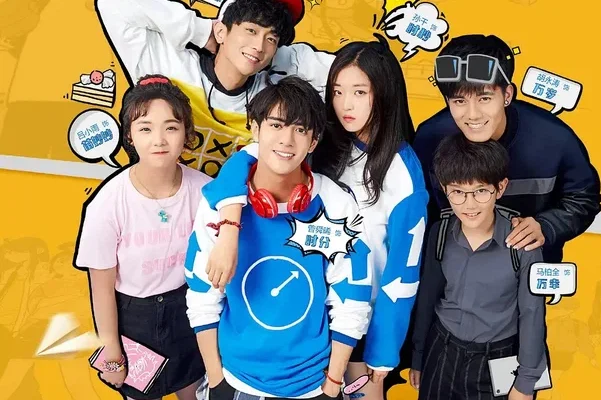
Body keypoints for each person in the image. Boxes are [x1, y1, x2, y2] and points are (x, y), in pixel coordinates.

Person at [198, 34, 429, 400]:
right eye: (337, 91)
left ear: (384, 94)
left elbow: (404, 270)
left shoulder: (402, 169)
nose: (345, 105)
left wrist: (383, 351)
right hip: (310, 322)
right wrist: (228, 228)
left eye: (359, 92)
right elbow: (246, 160)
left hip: (364, 323)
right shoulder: (317, 143)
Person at [185, 76, 373, 400]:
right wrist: (216, 380)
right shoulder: (220, 205)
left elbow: (352, 300)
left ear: (313, 142)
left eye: (300, 130)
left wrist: (332, 386)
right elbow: (202, 296)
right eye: (276, 125)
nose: (287, 140)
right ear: (255, 129)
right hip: (236, 381)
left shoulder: (336, 204)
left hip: (313, 385)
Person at [73, 75, 211, 400]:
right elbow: (102, 289)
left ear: (186, 133)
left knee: (194, 394)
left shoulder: (206, 191)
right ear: (130, 136)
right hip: (134, 321)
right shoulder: (108, 203)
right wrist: (112, 353)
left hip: (188, 310)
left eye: (171, 128)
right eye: (145, 128)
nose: (158, 140)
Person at [412, 34, 601, 263]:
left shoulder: (555, 138)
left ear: (507, 94)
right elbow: (418, 208)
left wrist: (546, 225)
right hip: (452, 270)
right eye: (459, 101)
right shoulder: (429, 139)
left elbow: (584, 198)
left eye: (484, 98)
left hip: (528, 268)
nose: (472, 115)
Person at [96, 0, 335, 178]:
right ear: (222, 31)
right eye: (251, 30)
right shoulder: (168, 63)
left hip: (226, 218)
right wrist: (201, 31)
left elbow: (350, 76)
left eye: (271, 38)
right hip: (158, 207)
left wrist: (281, 57)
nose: (259, 45)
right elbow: (114, 4)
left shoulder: (272, 97)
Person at [409, 135, 548, 400]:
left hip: (497, 358)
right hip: (442, 350)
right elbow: (427, 297)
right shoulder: (440, 233)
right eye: (458, 192)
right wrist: (419, 356)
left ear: (500, 188)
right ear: (444, 189)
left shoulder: (522, 242)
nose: (469, 204)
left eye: (481, 191)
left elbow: (532, 314)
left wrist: (526, 382)